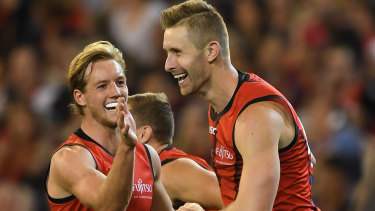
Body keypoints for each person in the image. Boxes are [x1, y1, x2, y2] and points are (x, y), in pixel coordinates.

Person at [160, 0, 320, 210]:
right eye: (167, 53)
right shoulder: (222, 104)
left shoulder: (254, 117)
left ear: (211, 51)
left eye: (178, 52)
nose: (168, 64)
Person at [45, 41, 175, 211]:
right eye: (102, 86)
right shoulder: (68, 159)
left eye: (120, 82)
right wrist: (127, 147)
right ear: (80, 97)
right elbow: (109, 206)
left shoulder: (148, 156)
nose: (116, 92)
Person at [127, 92, 224, 210]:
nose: (115, 135)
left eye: (120, 128)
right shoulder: (151, 170)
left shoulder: (173, 170)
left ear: (143, 134)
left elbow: (243, 201)